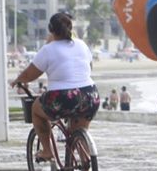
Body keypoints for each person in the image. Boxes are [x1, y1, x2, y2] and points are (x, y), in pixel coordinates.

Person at [9, 13, 101, 161]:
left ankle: (47, 151)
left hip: (63, 97)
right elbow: (89, 67)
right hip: (90, 95)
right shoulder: (82, 45)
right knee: (79, 131)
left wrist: (18, 80)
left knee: (36, 110)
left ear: (51, 31)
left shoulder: (48, 49)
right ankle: (86, 168)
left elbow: (30, 75)